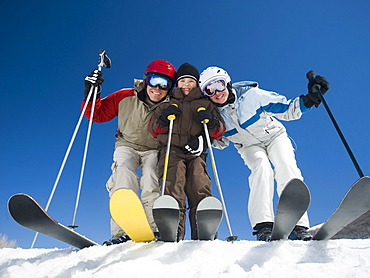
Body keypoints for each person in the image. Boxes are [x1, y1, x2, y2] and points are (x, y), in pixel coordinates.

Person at [198, 67, 330, 241]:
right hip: (248, 146)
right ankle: (264, 225)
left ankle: (299, 225)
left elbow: (287, 109)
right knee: (261, 168)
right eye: (209, 89)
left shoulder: (252, 96)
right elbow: (221, 142)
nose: (217, 92)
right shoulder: (216, 115)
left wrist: (310, 98)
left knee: (286, 167)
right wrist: (204, 136)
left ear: (227, 83)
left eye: (219, 85)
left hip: (275, 137)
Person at [82, 60, 176, 245]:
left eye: (164, 84)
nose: (157, 88)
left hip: (153, 149)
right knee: (123, 173)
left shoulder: (171, 105)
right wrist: (92, 93)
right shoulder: (125, 96)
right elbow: (97, 114)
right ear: (146, 80)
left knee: (151, 177)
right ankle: (121, 232)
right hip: (127, 145)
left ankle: (155, 227)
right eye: (155, 80)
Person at [149, 63, 225, 241]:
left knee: (199, 184)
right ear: (177, 84)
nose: (186, 85)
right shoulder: (168, 103)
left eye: (190, 81)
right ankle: (174, 229)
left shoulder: (206, 104)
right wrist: (164, 118)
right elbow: (152, 129)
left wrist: (211, 124)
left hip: (196, 151)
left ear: (196, 84)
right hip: (172, 150)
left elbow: (219, 130)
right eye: (182, 81)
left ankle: (203, 228)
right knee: (173, 185)